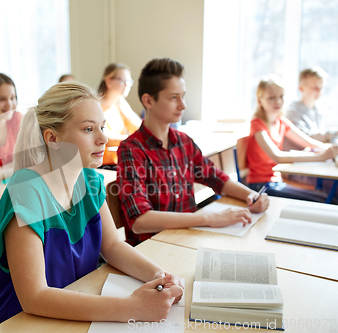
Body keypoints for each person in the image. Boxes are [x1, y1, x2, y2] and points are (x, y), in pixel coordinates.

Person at [0, 82, 184, 332]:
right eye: (88, 129)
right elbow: (34, 297)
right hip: (18, 321)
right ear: (52, 138)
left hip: (71, 303)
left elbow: (112, 246)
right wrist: (132, 307)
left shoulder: (90, 181)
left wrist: (159, 277)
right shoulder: (26, 192)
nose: (103, 139)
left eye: (102, 127)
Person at [117, 58, 270, 246]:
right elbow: (140, 222)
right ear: (148, 100)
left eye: (183, 96)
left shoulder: (183, 142)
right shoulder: (132, 149)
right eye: (174, 97)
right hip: (154, 248)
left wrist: (252, 196)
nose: (183, 105)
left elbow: (216, 178)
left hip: (187, 239)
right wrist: (209, 218)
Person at [246, 75, 338, 201]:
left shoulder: (281, 122)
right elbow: (277, 156)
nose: (278, 101)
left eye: (281, 96)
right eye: (272, 97)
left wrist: (332, 150)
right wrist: (322, 156)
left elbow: (310, 143)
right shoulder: (257, 124)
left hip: (276, 181)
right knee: (324, 199)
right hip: (260, 186)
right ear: (259, 100)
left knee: (326, 196)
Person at [98, 63, 141, 166]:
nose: (127, 85)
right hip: (104, 165)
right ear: (109, 82)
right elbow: (103, 137)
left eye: (129, 81)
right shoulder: (95, 105)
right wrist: (133, 139)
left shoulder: (120, 102)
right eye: (123, 81)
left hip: (121, 161)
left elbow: (138, 127)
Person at [285, 67, 338, 150]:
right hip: (297, 157)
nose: (319, 92)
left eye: (322, 87)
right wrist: (333, 133)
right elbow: (304, 139)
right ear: (301, 88)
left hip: (314, 154)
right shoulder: (292, 111)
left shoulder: (321, 110)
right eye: (315, 87)